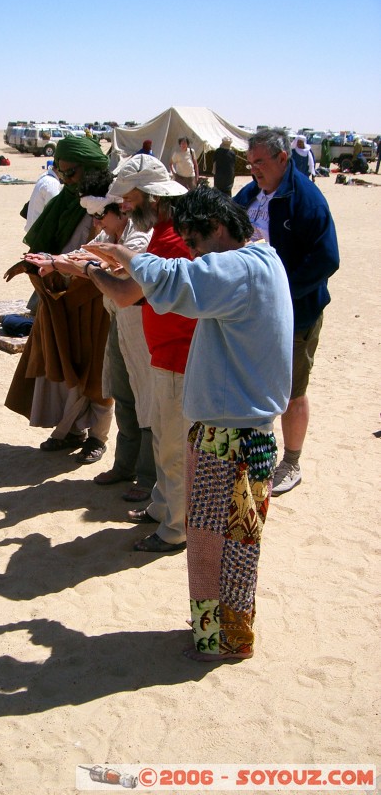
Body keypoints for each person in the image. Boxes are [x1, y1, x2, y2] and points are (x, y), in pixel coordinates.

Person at [89, 187, 293, 661]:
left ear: (218, 231)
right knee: (233, 544)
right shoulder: (262, 260)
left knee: (212, 547)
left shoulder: (241, 268)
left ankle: (218, 640)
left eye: (198, 243)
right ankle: (227, 634)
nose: (196, 254)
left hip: (230, 436)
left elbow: (176, 278)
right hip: (245, 432)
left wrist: (119, 252)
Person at [38, 156, 194, 553]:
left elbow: (127, 291)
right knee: (161, 436)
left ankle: (175, 528)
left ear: (146, 194)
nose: (123, 206)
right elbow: (130, 275)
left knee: (173, 446)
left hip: (177, 354)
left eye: (127, 198)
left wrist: (85, 269)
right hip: (164, 351)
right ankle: (162, 509)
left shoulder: (172, 237)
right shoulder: (160, 230)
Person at [29, 168, 156, 501]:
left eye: (102, 215)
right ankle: (125, 466)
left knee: (144, 401)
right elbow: (87, 254)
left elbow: (116, 269)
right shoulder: (109, 234)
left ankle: (146, 477)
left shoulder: (139, 234)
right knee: (123, 394)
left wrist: (75, 264)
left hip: (141, 324)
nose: (98, 222)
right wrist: (55, 262)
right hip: (118, 319)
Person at [234, 127, 340, 496]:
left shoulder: (307, 199)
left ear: (283, 158)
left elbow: (327, 258)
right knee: (255, 387)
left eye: (260, 162)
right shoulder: (250, 194)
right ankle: (254, 455)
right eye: (250, 163)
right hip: (252, 315)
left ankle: (291, 462)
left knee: (292, 390)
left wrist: (283, 294)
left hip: (296, 314)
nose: (253, 170)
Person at [4, 136, 113, 464]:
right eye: (61, 173)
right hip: (59, 294)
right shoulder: (64, 201)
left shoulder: (109, 203)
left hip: (96, 294)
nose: (66, 180)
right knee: (65, 362)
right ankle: (71, 430)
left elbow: (104, 252)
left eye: (72, 173)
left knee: (96, 368)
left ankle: (98, 436)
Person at [24, 162, 62, 231]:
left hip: (33, 229)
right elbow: (54, 211)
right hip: (38, 232)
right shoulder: (52, 183)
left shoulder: (45, 176)